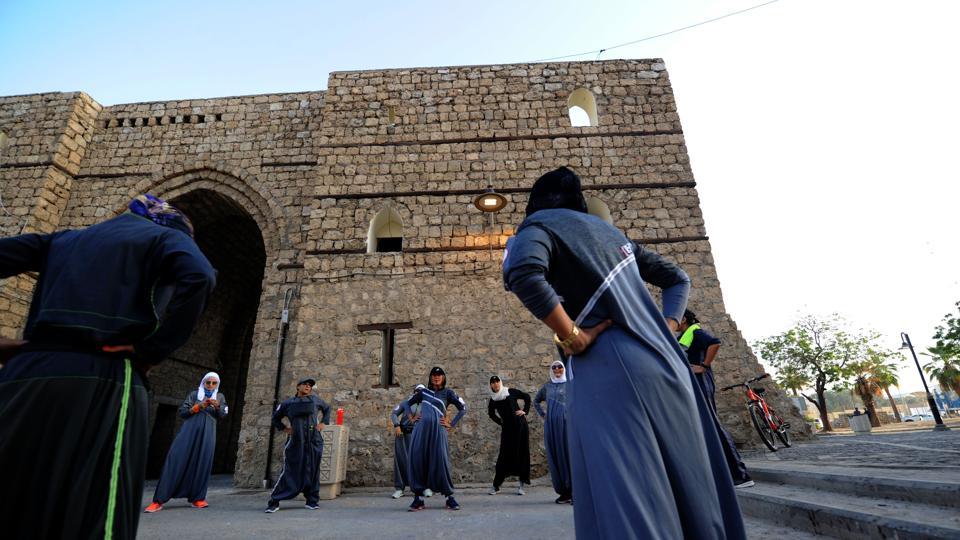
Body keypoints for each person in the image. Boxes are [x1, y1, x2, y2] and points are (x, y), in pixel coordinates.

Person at [502, 167, 746, 539]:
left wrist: (573, 336)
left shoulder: (538, 228)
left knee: (631, 498)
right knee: (692, 488)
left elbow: (523, 273)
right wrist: (668, 326)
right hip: (668, 366)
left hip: (611, 368)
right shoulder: (614, 235)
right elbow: (678, 277)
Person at [0, 194, 216, 539]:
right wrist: (152, 351)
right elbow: (201, 276)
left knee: (16, 495)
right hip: (102, 376)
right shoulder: (163, 235)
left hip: (25, 374)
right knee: (99, 506)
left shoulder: (63, 239)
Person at [678, 309, 753, 488]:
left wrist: (703, 366)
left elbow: (714, 343)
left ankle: (741, 475)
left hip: (702, 382)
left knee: (714, 426)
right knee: (703, 428)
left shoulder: (696, 331)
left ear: (684, 318)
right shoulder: (685, 335)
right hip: (694, 384)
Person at [144, 372, 228, 512]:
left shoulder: (220, 397)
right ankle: (159, 500)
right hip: (189, 431)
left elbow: (223, 415)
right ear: (203, 383)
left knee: (202, 462)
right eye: (208, 382)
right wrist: (198, 406)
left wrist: (218, 406)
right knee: (176, 459)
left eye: (214, 383)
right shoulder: (195, 395)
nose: (211, 385)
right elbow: (183, 412)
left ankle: (197, 498)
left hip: (207, 434)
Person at [265, 378, 332, 513]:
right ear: (298, 387)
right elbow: (275, 418)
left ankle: (312, 501)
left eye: (310, 385)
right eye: (305, 384)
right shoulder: (288, 403)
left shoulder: (316, 400)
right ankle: (275, 501)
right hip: (296, 441)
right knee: (290, 470)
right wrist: (285, 429)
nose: (308, 387)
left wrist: (323, 423)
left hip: (314, 441)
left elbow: (327, 408)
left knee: (313, 470)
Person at [405, 366, 466, 512]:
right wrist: (412, 418)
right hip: (421, 431)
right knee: (418, 460)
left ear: (443, 377)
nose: (436, 377)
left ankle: (449, 497)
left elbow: (463, 408)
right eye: (433, 375)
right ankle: (418, 499)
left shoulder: (448, 393)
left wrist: (451, 423)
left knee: (441, 461)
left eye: (439, 375)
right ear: (430, 377)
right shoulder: (423, 392)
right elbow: (407, 404)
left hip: (439, 431)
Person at [534, 360, 573, 504]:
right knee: (556, 456)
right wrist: (544, 415)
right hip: (551, 427)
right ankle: (564, 492)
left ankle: (575, 492)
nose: (557, 369)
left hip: (567, 426)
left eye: (560, 367)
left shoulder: (570, 384)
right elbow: (536, 401)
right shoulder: (547, 386)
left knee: (569, 455)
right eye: (554, 367)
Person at [487, 375, 531, 495]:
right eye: (493, 382)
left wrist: (524, 411)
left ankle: (521, 485)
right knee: (503, 456)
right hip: (507, 430)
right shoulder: (493, 399)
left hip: (521, 427)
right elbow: (491, 414)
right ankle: (496, 485)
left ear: (500, 382)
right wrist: (501, 422)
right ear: (490, 385)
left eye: (497, 381)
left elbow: (526, 397)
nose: (495, 384)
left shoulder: (510, 392)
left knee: (521, 453)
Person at [389, 384, 422, 499]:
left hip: (418, 436)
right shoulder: (405, 403)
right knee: (401, 461)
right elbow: (394, 414)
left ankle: (423, 487)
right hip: (403, 435)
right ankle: (399, 488)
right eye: (417, 391)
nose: (419, 394)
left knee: (421, 461)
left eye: (422, 392)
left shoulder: (427, 406)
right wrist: (397, 425)